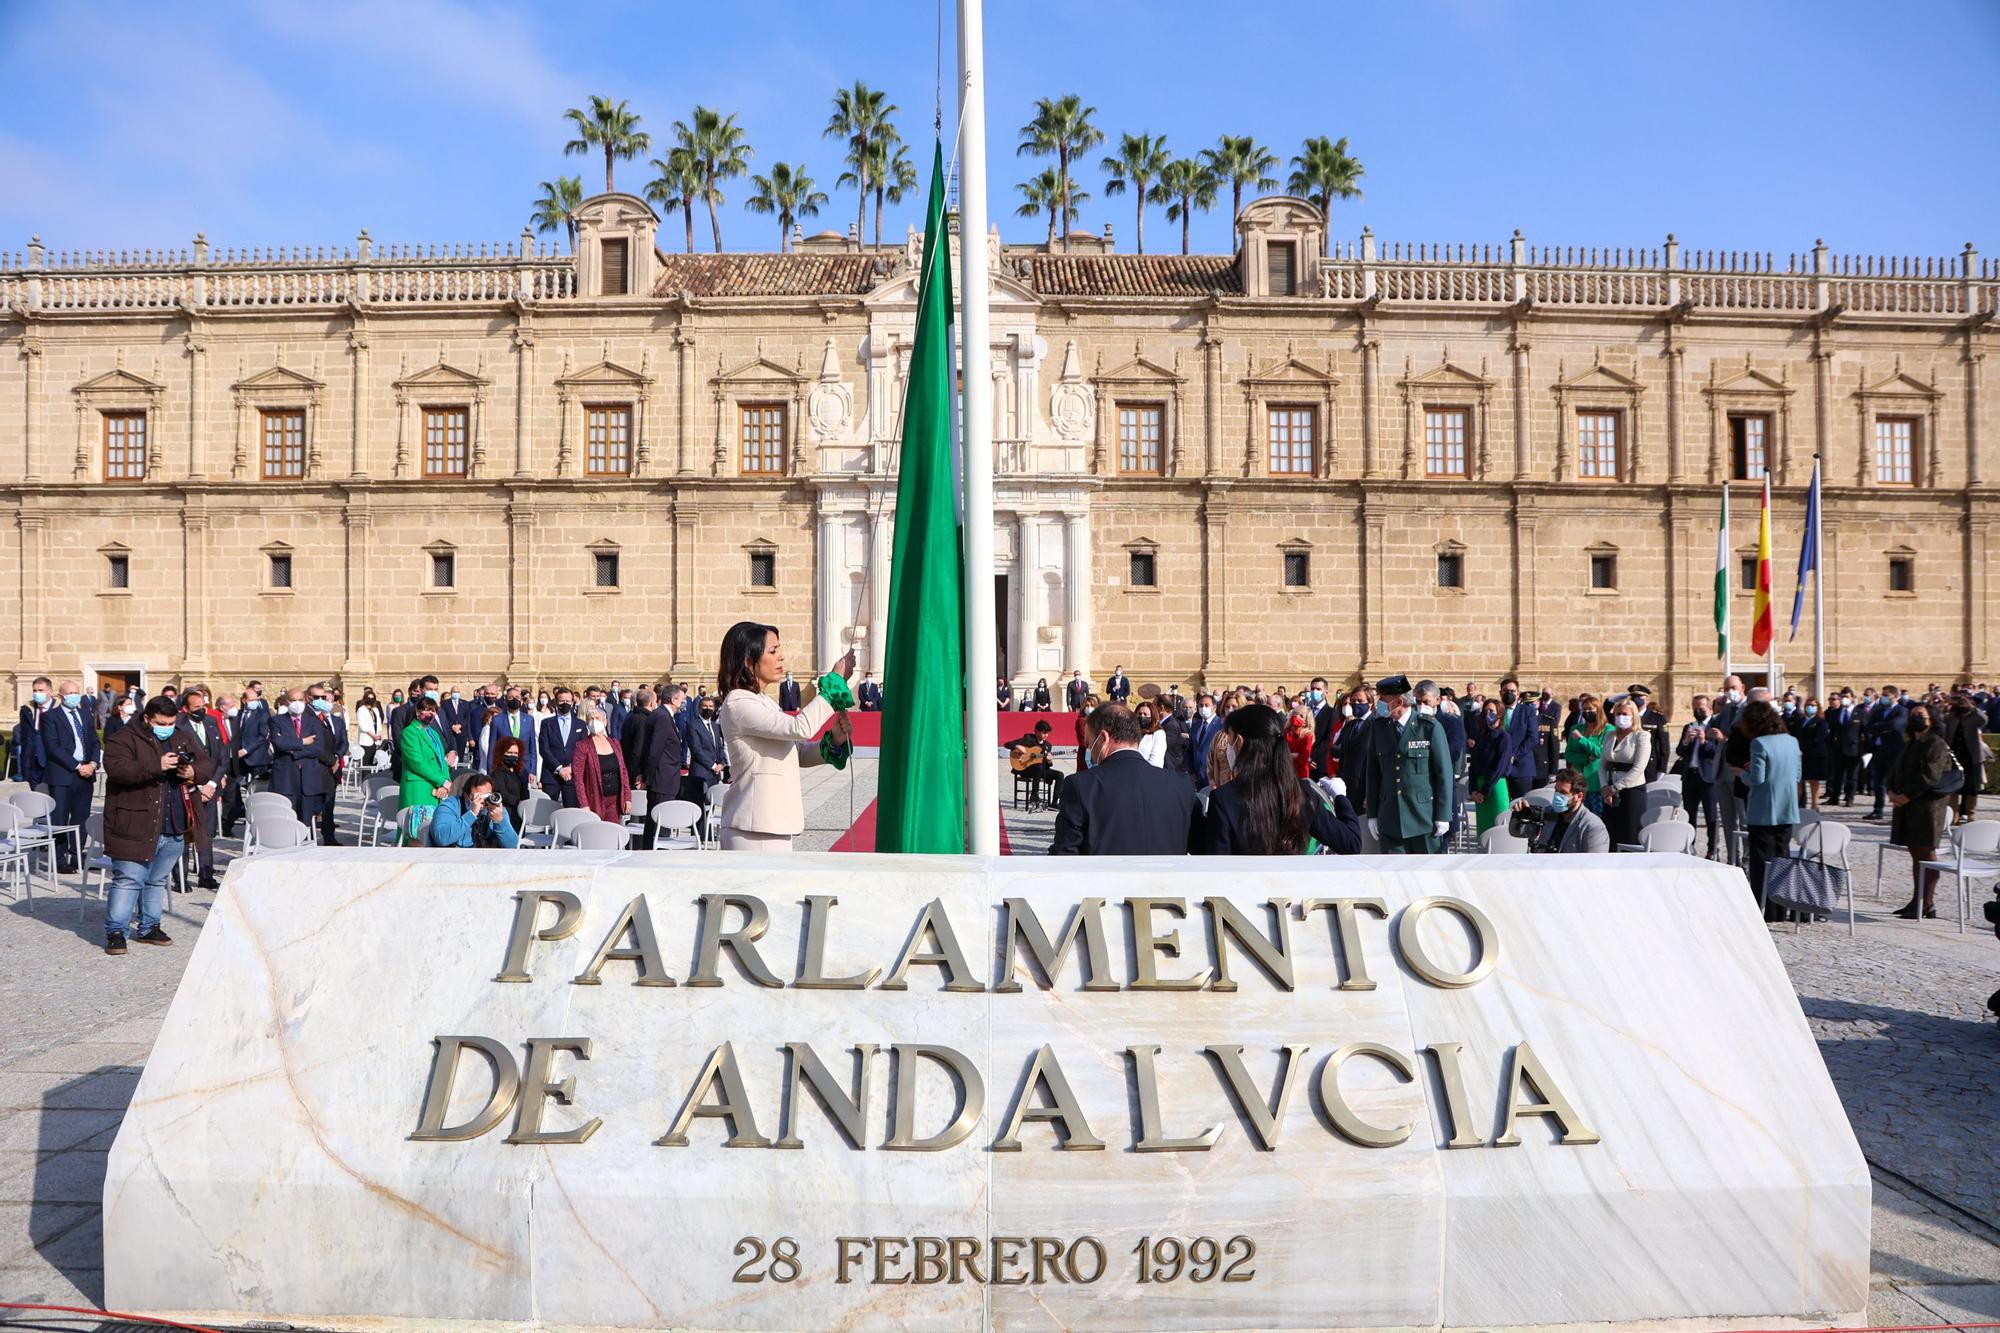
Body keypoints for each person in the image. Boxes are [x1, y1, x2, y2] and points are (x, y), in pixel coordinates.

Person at [715, 622, 854, 851]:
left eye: (780, 649)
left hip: (773, 822)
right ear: (748, 660)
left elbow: (795, 752)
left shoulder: (764, 701)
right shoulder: (739, 702)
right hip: (754, 826)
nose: (781, 657)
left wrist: (834, 740)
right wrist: (835, 682)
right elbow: (800, 727)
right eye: (772, 651)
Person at [100, 695, 215, 953]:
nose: (167, 727)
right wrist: (157, 765)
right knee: (128, 879)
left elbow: (207, 762)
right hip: (135, 822)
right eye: (161, 723)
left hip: (174, 822)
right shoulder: (123, 738)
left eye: (171, 722)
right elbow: (118, 769)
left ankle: (149, 926)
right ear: (146, 718)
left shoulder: (182, 735)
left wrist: (192, 772)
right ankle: (116, 931)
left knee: (156, 880)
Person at [1198, 704, 1360, 854]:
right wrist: (1340, 798)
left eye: (1230, 739)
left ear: (1239, 742)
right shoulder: (1301, 793)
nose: (1228, 747)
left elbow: (1217, 860)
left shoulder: (1224, 797)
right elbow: (1351, 843)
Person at [1050, 703, 1196, 855]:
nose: (1090, 751)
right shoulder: (1181, 785)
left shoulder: (1081, 785)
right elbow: (1205, 849)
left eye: (1089, 743)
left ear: (1103, 738)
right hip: (1168, 878)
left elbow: (1064, 855)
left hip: (1105, 877)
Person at [1352, 675, 1453, 854]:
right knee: (1392, 876)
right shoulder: (1379, 727)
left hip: (1424, 818)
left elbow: (1443, 773)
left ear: (1399, 701)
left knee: (1426, 875)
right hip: (1390, 817)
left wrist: (1443, 815)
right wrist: (1373, 814)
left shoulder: (1428, 727)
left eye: (1383, 700)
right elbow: (1373, 773)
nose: (1378, 705)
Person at [1887, 700, 1955, 920]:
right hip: (1908, 807)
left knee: (1926, 854)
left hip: (1927, 808)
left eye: (1922, 716)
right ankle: (1918, 900)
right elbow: (1897, 769)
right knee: (1916, 855)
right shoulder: (1911, 742)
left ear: (1932, 720)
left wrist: (1905, 796)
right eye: (1914, 715)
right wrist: (1891, 791)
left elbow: (1930, 775)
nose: (1916, 718)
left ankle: (1926, 902)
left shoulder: (1936, 743)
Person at [1737, 699, 1801, 916]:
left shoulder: (1759, 743)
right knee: (1782, 857)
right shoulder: (1792, 741)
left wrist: (1741, 774)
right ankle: (1781, 908)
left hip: (1764, 809)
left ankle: (1765, 908)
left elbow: (1757, 779)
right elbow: (1798, 774)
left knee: (1762, 861)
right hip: (1787, 808)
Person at [38, 680, 99, 874]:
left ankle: (77, 855)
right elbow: (53, 747)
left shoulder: (85, 714)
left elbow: (95, 741)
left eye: (76, 692)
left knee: (81, 818)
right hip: (63, 774)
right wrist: (77, 765)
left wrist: (93, 764)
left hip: (86, 775)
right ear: (61, 696)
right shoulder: (51, 717)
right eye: (70, 693)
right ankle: (59, 858)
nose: (74, 696)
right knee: (60, 818)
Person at [176, 686, 228, 888]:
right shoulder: (179, 726)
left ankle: (206, 874)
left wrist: (212, 783)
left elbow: (222, 758)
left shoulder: (212, 722)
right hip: (188, 787)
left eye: (204, 705)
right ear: (186, 709)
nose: (202, 710)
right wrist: (198, 785)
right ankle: (180, 877)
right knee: (184, 833)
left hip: (210, 788)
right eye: (197, 707)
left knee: (206, 833)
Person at [1510, 767, 1610, 853]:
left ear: (1579, 796)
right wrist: (1519, 815)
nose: (1557, 796)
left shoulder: (1592, 827)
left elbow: (1594, 865)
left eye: (1563, 793)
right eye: (1556, 791)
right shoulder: (1548, 813)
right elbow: (1518, 833)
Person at [396, 694, 452, 842]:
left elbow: (442, 759)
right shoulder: (410, 732)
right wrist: (440, 780)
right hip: (419, 785)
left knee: (431, 828)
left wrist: (446, 781)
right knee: (415, 829)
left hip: (436, 786)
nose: (430, 713)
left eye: (433, 711)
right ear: (418, 712)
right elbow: (417, 762)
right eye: (427, 710)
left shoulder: (433, 733)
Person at [639, 685, 690, 846]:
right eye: (682, 700)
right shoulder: (661, 716)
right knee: (659, 826)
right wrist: (647, 776)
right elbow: (654, 749)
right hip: (662, 780)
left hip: (665, 779)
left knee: (657, 824)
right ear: (673, 699)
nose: (683, 703)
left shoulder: (663, 715)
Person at [1600, 697, 1651, 849]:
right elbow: (1602, 765)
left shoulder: (1641, 736)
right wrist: (1605, 788)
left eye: (1624, 714)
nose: (1620, 717)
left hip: (1631, 790)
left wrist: (1614, 788)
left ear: (1633, 716)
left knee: (1629, 833)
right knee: (1611, 831)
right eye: (1617, 714)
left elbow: (1638, 768)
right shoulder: (1610, 735)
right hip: (1610, 792)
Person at [570, 705, 632, 830]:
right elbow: (578, 778)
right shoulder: (582, 746)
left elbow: (623, 771)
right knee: (596, 833)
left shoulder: (615, 743)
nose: (594, 722)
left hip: (615, 800)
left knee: (612, 832)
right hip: (594, 799)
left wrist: (627, 796)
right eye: (590, 719)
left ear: (605, 721)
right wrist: (584, 804)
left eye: (597, 718)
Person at [425, 772, 521, 849]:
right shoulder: (450, 806)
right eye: (478, 797)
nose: (482, 802)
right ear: (466, 795)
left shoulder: (496, 810)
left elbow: (513, 846)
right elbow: (442, 838)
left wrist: (500, 822)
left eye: (486, 796)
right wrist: (471, 814)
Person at [1467, 695, 1515, 835]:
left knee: (1497, 829)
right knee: (1483, 830)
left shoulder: (1504, 737)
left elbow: (1499, 767)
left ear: (1499, 714)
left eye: (1492, 711)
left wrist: (1484, 791)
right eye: (1486, 711)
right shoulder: (1481, 736)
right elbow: (1474, 764)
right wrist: (1473, 789)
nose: (1488, 714)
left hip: (1495, 786)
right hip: (1480, 786)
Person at [1939, 691, 1988, 822]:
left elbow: (1984, 719)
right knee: (1953, 785)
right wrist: (1944, 704)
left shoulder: (1975, 717)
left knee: (1972, 786)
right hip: (1954, 756)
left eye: (1965, 703)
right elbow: (1939, 721)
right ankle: (1954, 814)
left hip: (1972, 757)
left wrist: (1971, 707)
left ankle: (1971, 813)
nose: (1962, 705)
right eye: (1960, 703)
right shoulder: (1951, 717)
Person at [681, 692, 727, 822]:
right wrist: (712, 765)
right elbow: (696, 749)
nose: (708, 709)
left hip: (715, 773)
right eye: (705, 706)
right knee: (699, 805)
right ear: (699, 708)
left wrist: (722, 763)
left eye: (711, 706)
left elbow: (720, 746)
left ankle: (708, 834)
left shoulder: (715, 726)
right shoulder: (693, 725)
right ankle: (699, 835)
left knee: (711, 804)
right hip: (701, 771)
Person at [1864, 684, 1907, 820]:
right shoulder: (1878, 710)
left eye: (1887, 695)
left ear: (1895, 696)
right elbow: (1869, 726)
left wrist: (1880, 726)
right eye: (1883, 695)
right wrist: (1883, 728)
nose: (1884, 698)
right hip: (1878, 749)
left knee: (1894, 782)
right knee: (1878, 781)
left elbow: (1896, 725)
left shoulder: (1902, 710)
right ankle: (1878, 809)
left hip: (1894, 750)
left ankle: (1897, 808)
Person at [1008, 720, 1065, 804]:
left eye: (1047, 733)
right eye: (1044, 732)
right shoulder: (1028, 739)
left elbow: (1046, 766)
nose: (1046, 735)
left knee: (1060, 775)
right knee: (1038, 767)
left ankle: (1054, 802)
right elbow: (1008, 744)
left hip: (1040, 770)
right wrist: (1018, 747)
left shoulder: (1048, 745)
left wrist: (1049, 761)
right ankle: (1034, 794)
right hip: (1025, 769)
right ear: (1037, 731)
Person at [1791, 696, 1831, 811]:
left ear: (1818, 707)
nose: (1810, 707)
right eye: (1808, 705)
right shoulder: (1801, 720)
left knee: (1813, 780)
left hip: (1815, 755)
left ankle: (1814, 804)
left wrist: (1802, 747)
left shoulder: (1821, 721)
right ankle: (1796, 804)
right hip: (1800, 755)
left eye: (1813, 705)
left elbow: (1818, 738)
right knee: (1799, 779)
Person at [488, 734, 530, 830]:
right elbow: (501, 793)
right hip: (506, 815)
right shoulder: (498, 773)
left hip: (519, 815)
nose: (513, 756)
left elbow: (525, 792)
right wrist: (517, 801)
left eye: (515, 753)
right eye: (509, 753)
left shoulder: (520, 773)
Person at [1187, 693, 1224, 788]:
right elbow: (1190, 750)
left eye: (1206, 705)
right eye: (1201, 705)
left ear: (1214, 707)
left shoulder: (1221, 725)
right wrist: (1191, 771)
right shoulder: (1195, 726)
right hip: (1198, 777)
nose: (1203, 708)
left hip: (1215, 777)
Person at [352, 688, 387, 768]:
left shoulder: (375, 710)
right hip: (366, 740)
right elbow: (363, 725)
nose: (370, 700)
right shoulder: (361, 710)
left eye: (372, 698)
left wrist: (378, 734)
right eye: (369, 698)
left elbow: (378, 722)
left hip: (375, 741)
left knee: (373, 763)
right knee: (366, 764)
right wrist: (373, 736)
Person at [1134, 699, 1167, 767]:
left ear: (1152, 717)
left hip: (1148, 773)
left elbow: (1156, 761)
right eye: (1139, 714)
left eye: (1145, 714)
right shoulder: (1132, 732)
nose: (1142, 716)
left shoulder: (1158, 734)